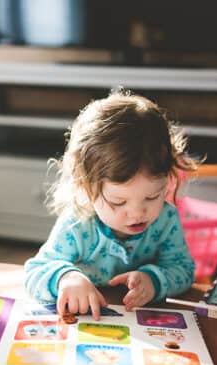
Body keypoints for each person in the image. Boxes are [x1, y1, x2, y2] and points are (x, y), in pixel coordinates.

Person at [24, 89, 199, 320]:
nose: (138, 213)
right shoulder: (77, 223)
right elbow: (35, 271)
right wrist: (67, 278)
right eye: (118, 202)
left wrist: (153, 280)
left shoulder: (165, 219)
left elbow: (183, 270)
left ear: (168, 179)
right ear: (86, 188)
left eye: (152, 196)